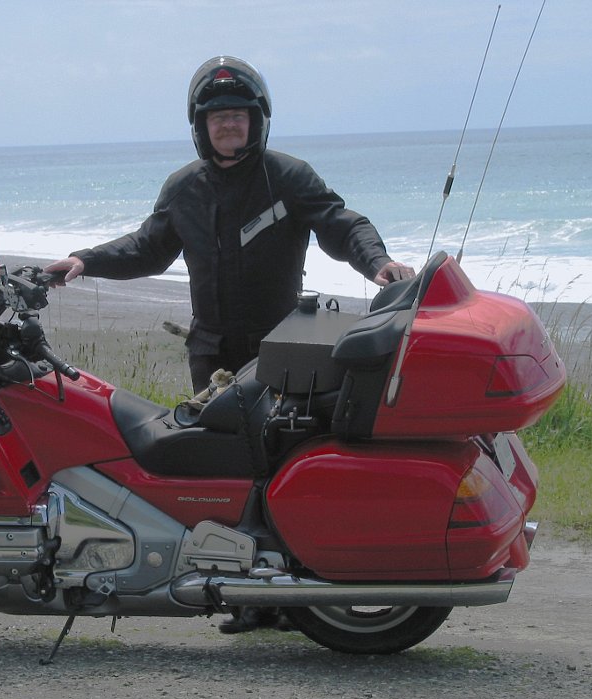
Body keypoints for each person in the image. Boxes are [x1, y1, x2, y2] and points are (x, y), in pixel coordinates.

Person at [46, 55, 415, 633]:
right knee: (220, 472)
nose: (229, 124)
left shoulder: (287, 177)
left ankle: (294, 590)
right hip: (212, 350)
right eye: (217, 116)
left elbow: (340, 223)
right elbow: (147, 248)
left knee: (278, 463)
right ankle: (248, 595)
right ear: (201, 125)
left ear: (257, 120)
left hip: (279, 351)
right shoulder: (184, 188)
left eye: (239, 115)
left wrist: (379, 263)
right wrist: (83, 261)